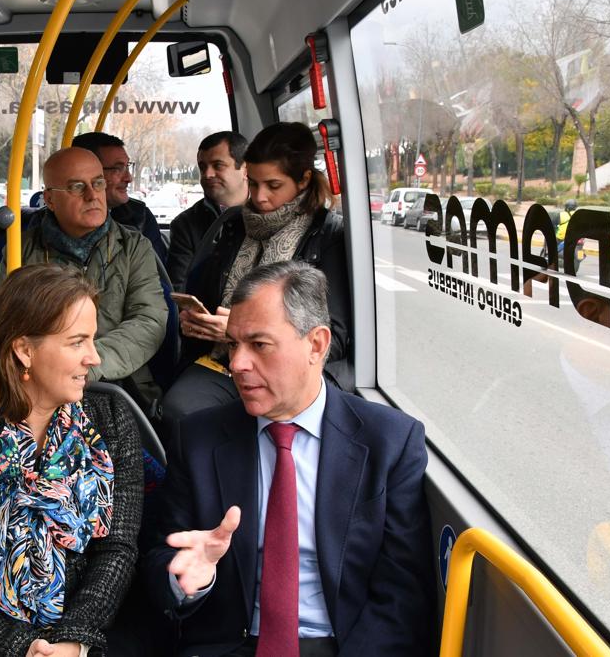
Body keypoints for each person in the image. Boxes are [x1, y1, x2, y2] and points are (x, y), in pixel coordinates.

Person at [142, 261, 435, 656]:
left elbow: (402, 598)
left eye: (259, 345)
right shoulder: (198, 439)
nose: (237, 364)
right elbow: (160, 557)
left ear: (316, 344)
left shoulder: (390, 442)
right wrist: (186, 579)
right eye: (233, 345)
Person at [0, 264, 144, 657]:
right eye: (77, 342)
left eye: (92, 340)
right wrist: (24, 648)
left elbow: (117, 550)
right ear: (24, 350)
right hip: (0, 642)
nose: (93, 358)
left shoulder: (110, 422)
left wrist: (74, 642)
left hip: (97, 634)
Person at [159, 122, 352, 448]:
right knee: (180, 410)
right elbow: (209, 293)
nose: (260, 197)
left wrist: (244, 334)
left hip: (289, 366)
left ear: (303, 179)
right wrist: (198, 321)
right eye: (254, 183)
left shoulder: (327, 236)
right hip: (224, 360)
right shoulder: (234, 224)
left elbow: (337, 337)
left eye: (274, 185)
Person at [3, 147, 168, 404]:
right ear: (49, 199)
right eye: (77, 187)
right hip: (39, 385)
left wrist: (85, 366)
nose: (92, 195)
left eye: (98, 183)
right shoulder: (21, 250)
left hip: (117, 384)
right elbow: (3, 322)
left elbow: (149, 321)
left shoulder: (134, 247)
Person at [167, 131, 249, 291]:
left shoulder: (269, 214)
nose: (207, 174)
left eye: (218, 165)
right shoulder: (185, 224)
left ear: (245, 169)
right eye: (202, 167)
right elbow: (179, 289)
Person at [72, 131, 168, 263]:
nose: (129, 178)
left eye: (127, 166)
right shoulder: (39, 228)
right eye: (117, 168)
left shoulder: (140, 217)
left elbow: (157, 278)